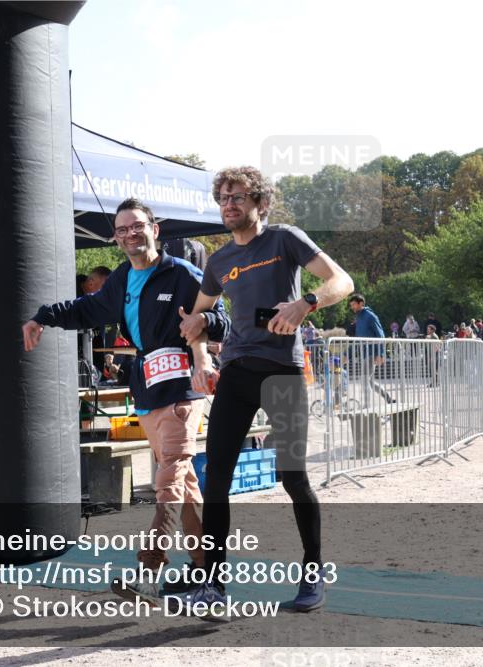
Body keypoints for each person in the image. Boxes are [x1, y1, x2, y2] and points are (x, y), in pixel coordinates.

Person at [22, 198, 229, 606]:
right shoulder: (120, 280)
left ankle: (150, 569)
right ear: (116, 238)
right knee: (184, 486)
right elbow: (86, 309)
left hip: (184, 390)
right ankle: (208, 571)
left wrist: (203, 322)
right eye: (122, 230)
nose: (130, 234)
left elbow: (222, 318)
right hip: (148, 392)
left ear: (155, 229)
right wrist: (42, 316)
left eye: (137, 226)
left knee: (169, 475)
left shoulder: (184, 275)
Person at [179, 166, 353, 615]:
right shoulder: (217, 263)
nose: (229, 204)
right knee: (216, 478)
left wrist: (305, 303)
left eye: (238, 197)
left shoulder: (284, 239)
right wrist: (201, 358)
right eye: (223, 198)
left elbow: (341, 282)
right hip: (236, 372)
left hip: (282, 371)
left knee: (293, 477)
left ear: (260, 202)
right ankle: (213, 587)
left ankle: (312, 574)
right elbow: (196, 320)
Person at [349, 294, 394, 404]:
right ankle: (388, 399)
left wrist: (381, 354)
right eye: (351, 305)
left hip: (371, 352)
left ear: (361, 304)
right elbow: (358, 337)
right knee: (369, 381)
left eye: (354, 304)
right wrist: (348, 354)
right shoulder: (359, 317)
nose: (352, 307)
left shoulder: (370, 316)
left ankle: (367, 406)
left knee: (364, 379)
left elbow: (381, 335)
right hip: (364, 353)